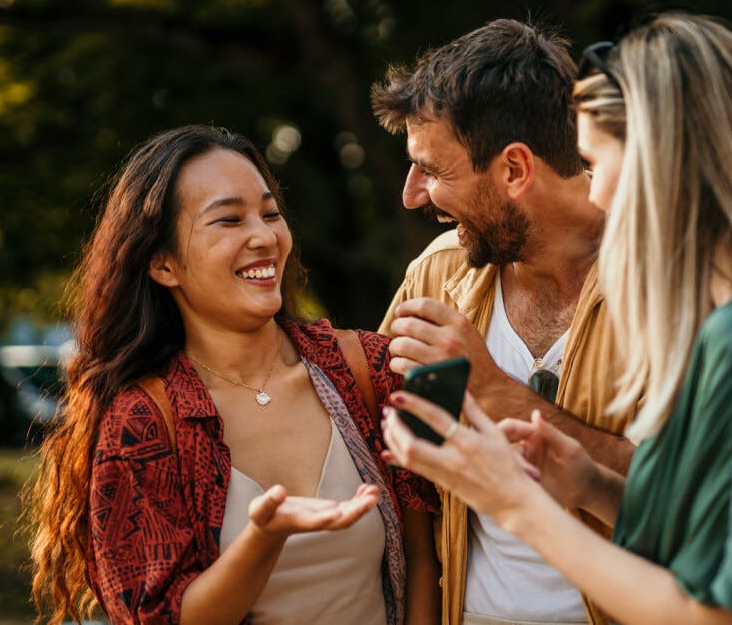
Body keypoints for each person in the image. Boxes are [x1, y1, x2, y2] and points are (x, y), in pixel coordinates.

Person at [382, 13, 732, 625]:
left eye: (597, 161)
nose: (591, 192)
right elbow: (708, 531)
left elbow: (724, 613)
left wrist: (518, 504)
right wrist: (590, 487)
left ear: (658, 165)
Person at [25, 125, 440, 625]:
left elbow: (425, 557)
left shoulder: (367, 371)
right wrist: (263, 539)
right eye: (228, 220)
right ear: (163, 264)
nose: (264, 237)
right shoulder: (144, 423)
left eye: (270, 213)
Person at [372, 19, 639, 625]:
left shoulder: (668, 284)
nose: (414, 195)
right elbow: (378, 449)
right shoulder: (437, 275)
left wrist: (498, 394)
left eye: (434, 171)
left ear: (516, 169)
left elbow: (699, 501)